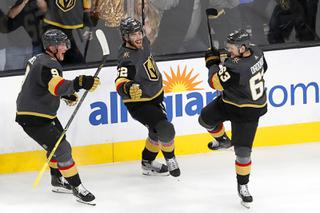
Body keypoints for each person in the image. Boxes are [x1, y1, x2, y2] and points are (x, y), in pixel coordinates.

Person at [15, 29, 100, 205]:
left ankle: (57, 180)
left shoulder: (39, 59)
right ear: (52, 47)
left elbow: (41, 84)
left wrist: (66, 94)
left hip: (38, 112)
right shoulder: (49, 64)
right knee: (62, 148)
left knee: (58, 143)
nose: (66, 48)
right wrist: (78, 83)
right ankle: (78, 188)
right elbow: (55, 85)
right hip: (34, 116)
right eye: (62, 44)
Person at [198, 29, 268, 207]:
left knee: (243, 154)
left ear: (243, 47)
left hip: (248, 112)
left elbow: (214, 82)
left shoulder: (236, 66)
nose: (229, 50)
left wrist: (212, 63)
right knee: (205, 119)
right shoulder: (257, 51)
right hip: (230, 101)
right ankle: (222, 141)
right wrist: (224, 59)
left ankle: (243, 186)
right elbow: (261, 68)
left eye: (232, 48)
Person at [115, 17, 180, 177]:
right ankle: (170, 158)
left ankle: (147, 163)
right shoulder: (126, 57)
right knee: (165, 129)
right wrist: (128, 87)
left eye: (139, 32)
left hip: (155, 96)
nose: (138, 37)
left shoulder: (143, 41)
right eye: (133, 35)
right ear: (125, 37)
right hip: (140, 102)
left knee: (155, 132)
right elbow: (121, 80)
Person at [36, 0, 95, 64]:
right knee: (53, 60)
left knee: (77, 62)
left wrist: (87, 23)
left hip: (74, 26)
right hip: (53, 23)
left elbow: (87, 7)